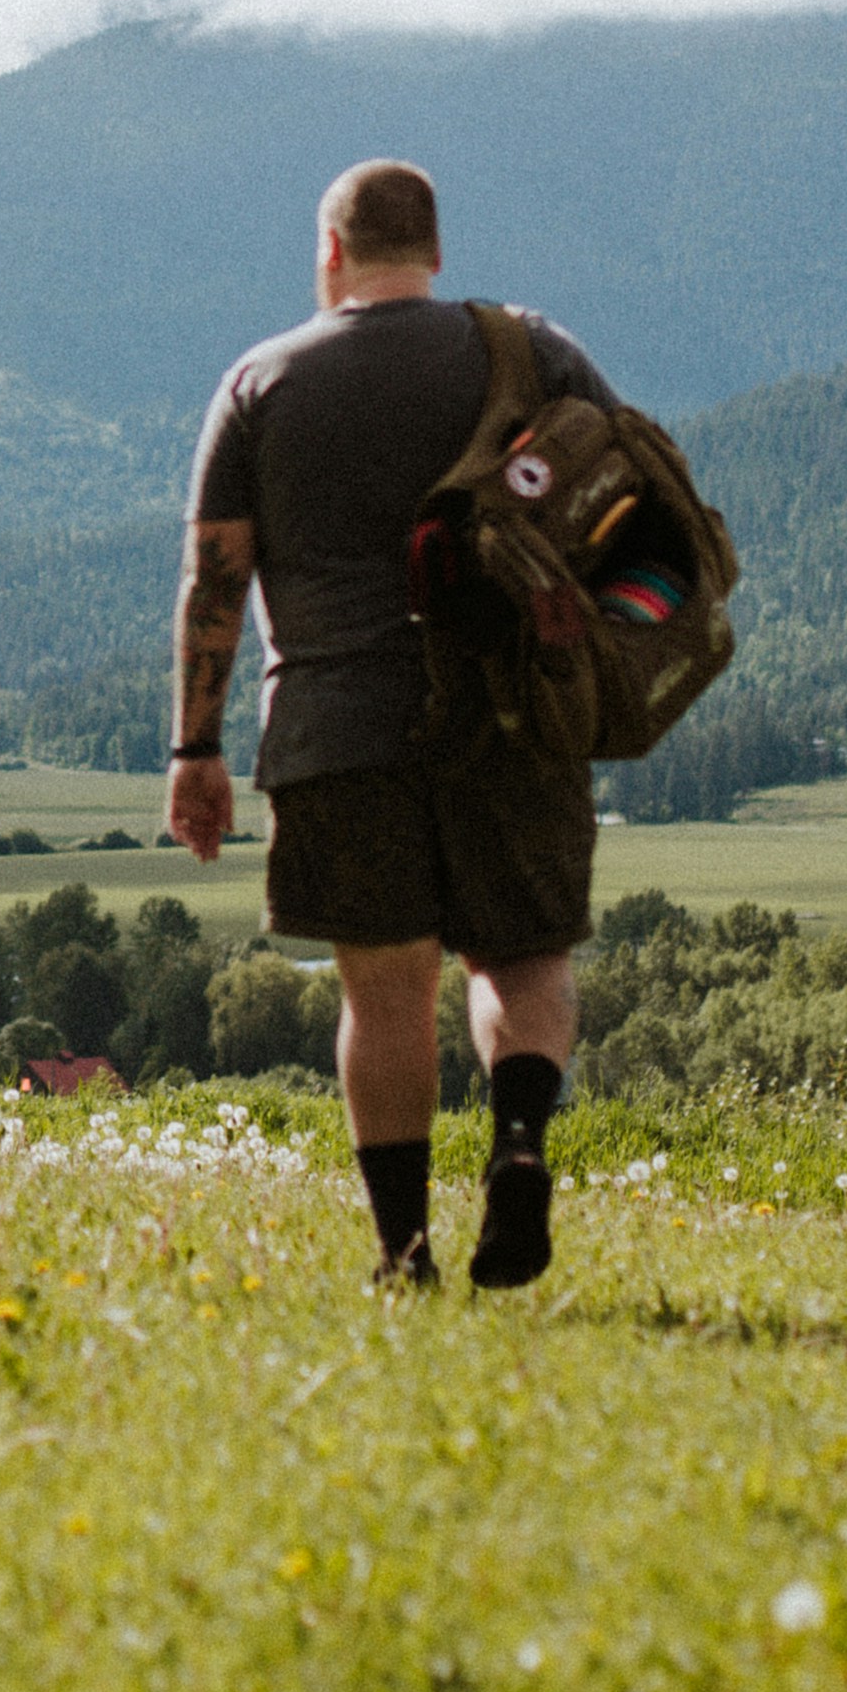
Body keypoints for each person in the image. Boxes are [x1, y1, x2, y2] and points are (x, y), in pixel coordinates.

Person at [167, 159, 608, 1293]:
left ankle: (403, 1250)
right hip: (511, 713)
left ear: (330, 252)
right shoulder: (534, 351)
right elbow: (621, 497)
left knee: (385, 986)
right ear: (436, 250)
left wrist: (196, 749)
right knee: (521, 959)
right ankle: (517, 1147)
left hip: (335, 724)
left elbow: (217, 581)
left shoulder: (263, 381)